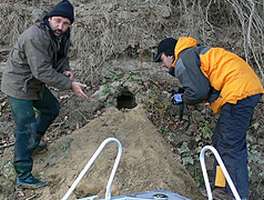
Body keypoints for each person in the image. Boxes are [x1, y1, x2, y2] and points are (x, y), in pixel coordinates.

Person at [154, 36, 263, 200]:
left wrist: (182, 98)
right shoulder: (193, 54)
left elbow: (198, 91)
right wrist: (185, 93)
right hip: (241, 89)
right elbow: (204, 86)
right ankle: (221, 189)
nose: (162, 65)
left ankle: (235, 195)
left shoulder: (183, 58)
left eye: (161, 59)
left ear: (169, 54)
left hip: (238, 92)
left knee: (229, 146)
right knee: (220, 142)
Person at [1, 0, 87, 189]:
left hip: (34, 83)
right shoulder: (35, 36)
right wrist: (70, 84)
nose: (61, 26)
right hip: (19, 84)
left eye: (66, 23)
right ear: (49, 18)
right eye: (57, 21)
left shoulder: (62, 34)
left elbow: (62, 57)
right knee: (26, 125)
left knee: (51, 108)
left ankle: (34, 141)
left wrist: (66, 69)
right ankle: (23, 174)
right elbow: (42, 71)